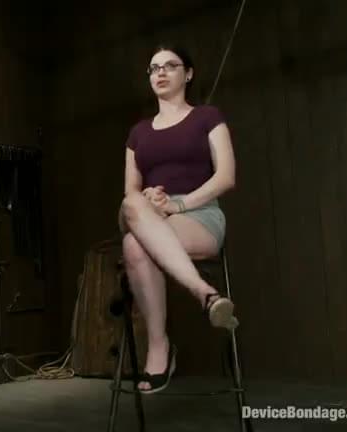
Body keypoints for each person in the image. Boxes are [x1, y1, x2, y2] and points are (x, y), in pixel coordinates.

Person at [118, 44, 238, 394]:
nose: (160, 72)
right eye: (154, 68)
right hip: (146, 213)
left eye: (170, 65)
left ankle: (159, 348)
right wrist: (151, 202)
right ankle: (205, 294)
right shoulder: (138, 133)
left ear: (188, 74)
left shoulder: (208, 117)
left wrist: (178, 205)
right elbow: (130, 191)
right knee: (132, 204)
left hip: (197, 216)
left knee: (133, 246)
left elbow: (226, 177)